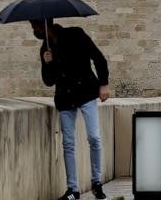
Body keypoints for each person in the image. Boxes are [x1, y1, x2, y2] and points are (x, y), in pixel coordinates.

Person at [32, 19, 110, 200]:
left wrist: (104, 83)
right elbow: (48, 81)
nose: (34, 30)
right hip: (65, 98)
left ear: (45, 23)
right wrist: (48, 62)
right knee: (68, 143)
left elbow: (98, 57)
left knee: (94, 137)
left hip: (86, 92)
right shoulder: (45, 48)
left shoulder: (76, 33)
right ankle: (73, 189)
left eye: (35, 25)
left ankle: (96, 182)